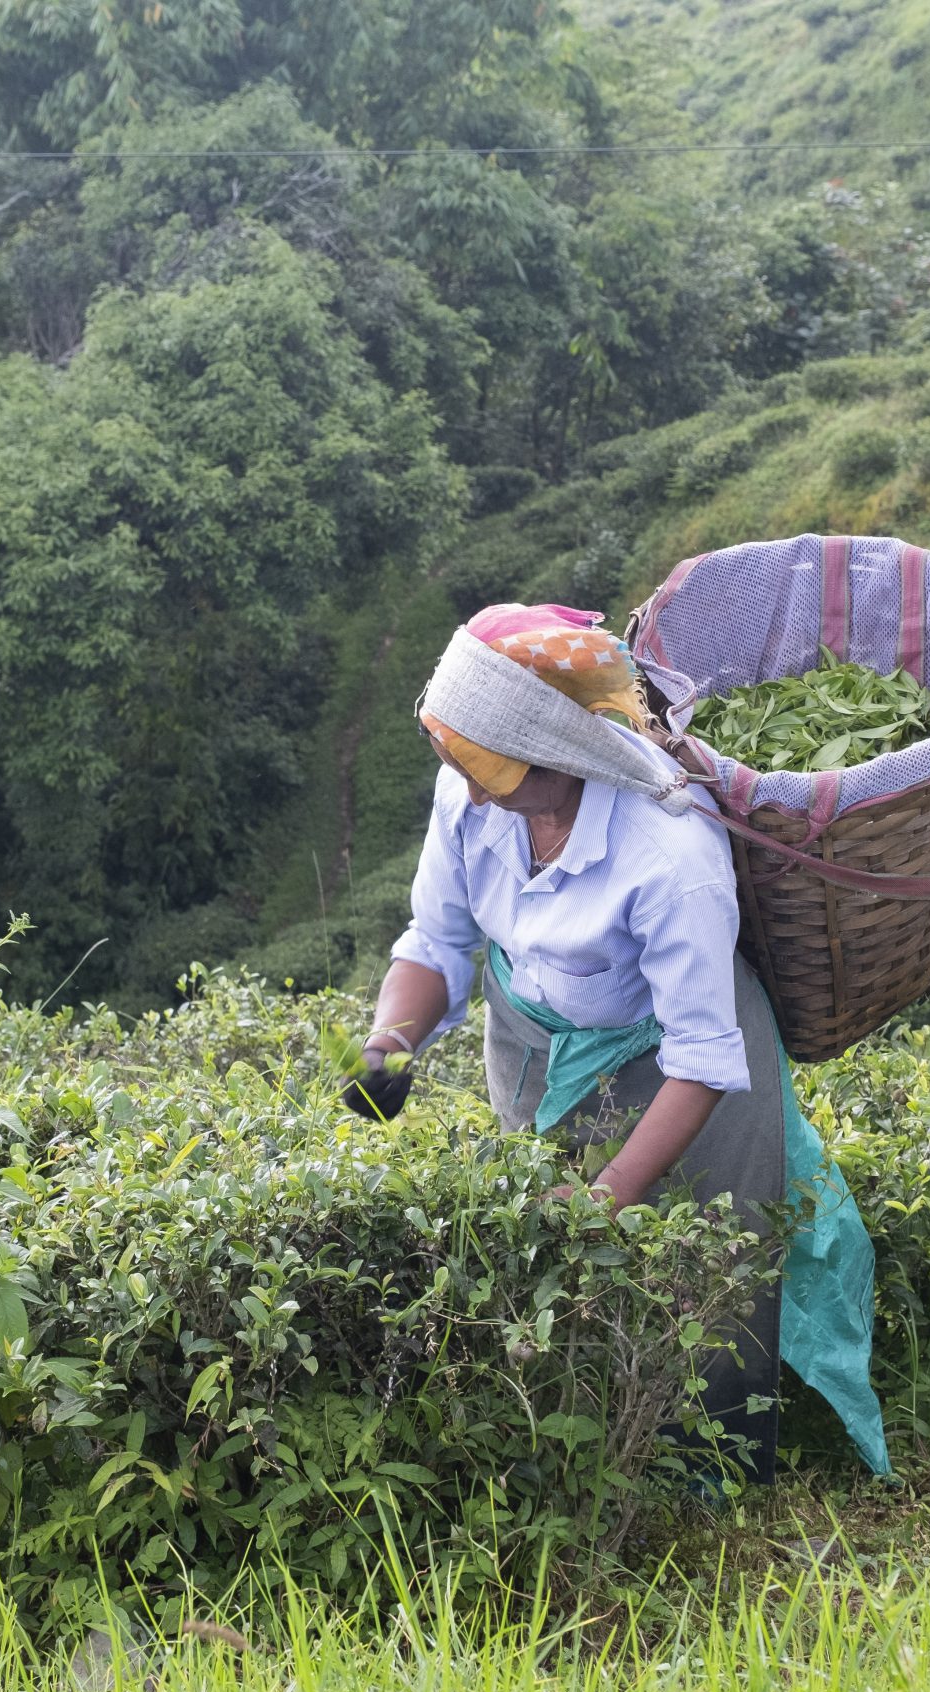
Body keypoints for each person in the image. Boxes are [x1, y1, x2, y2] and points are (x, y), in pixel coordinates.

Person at [342, 602, 889, 1484]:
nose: (473, 790)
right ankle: (580, 1459)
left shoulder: (668, 853)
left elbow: (703, 1057)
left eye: (492, 769)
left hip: (676, 1064)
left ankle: (709, 1481)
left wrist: (604, 1194)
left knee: (707, 1271)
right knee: (544, 1262)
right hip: (539, 1036)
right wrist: (387, 1046)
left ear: (564, 752)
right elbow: (437, 942)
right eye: (460, 763)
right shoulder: (470, 791)